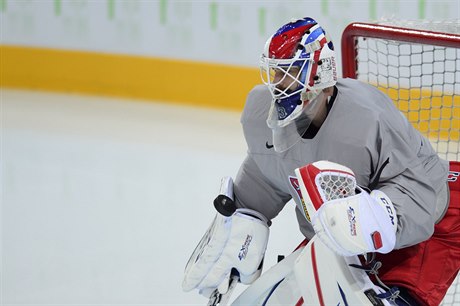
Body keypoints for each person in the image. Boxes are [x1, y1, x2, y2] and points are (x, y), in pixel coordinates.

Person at [182, 17, 460, 305]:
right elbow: (268, 172)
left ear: (321, 78)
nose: (278, 84)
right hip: (341, 241)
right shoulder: (261, 113)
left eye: (290, 72)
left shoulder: (369, 117)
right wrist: (245, 216)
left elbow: (419, 193)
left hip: (432, 221)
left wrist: (370, 218)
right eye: (276, 73)